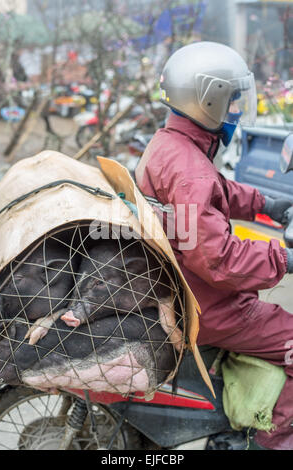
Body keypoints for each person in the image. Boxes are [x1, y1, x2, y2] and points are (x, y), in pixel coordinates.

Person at [135, 41, 293, 450]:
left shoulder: (171, 145)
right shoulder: (191, 170)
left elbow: (215, 191)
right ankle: (273, 441)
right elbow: (218, 259)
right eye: (234, 100)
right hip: (211, 305)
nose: (238, 111)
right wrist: (284, 258)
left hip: (182, 289)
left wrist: (266, 204)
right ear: (208, 99)